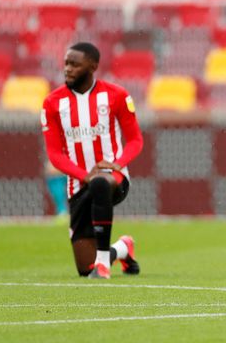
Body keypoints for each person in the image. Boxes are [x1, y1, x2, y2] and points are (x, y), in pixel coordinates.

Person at [41, 42, 143, 279]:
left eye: (75, 64)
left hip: (114, 179)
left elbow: (136, 140)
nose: (68, 69)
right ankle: (122, 249)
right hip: (78, 184)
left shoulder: (116, 95)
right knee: (84, 269)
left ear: (93, 66)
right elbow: (55, 154)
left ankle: (103, 266)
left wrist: (118, 164)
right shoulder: (52, 103)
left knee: (100, 183)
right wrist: (84, 175)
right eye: (67, 63)